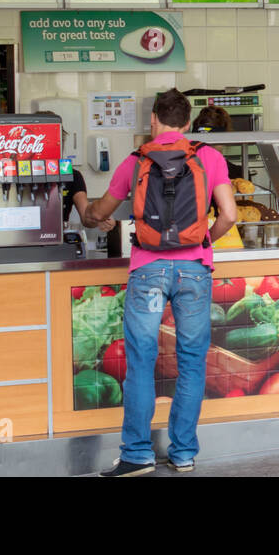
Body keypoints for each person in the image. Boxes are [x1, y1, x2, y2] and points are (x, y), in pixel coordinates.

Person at [84, 88, 236, 475]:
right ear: (187, 123)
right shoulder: (210, 156)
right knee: (191, 362)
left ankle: (137, 455)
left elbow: (101, 210)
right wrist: (203, 243)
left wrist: (85, 210)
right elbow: (230, 216)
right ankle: (183, 453)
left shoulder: (134, 162)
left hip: (147, 270)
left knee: (140, 362)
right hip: (193, 272)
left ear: (153, 119)